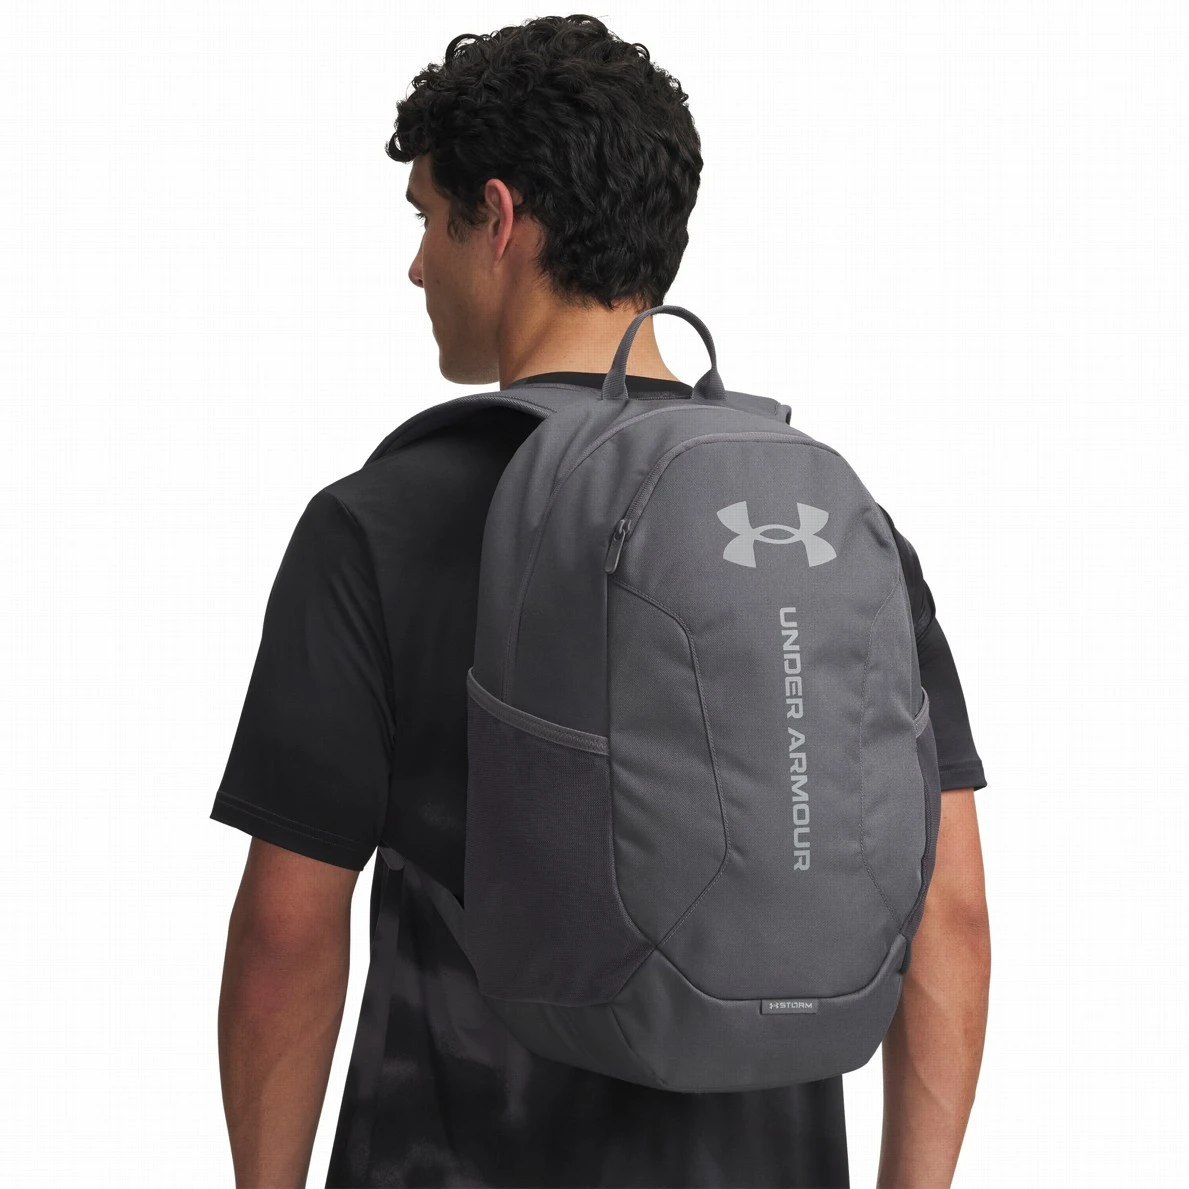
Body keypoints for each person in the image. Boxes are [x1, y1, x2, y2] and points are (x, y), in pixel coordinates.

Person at [210, 14, 991, 1188]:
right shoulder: (827, 531)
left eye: (426, 218)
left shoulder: (377, 523)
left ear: (500, 219)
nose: (416, 267)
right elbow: (950, 914)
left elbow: (287, 933)